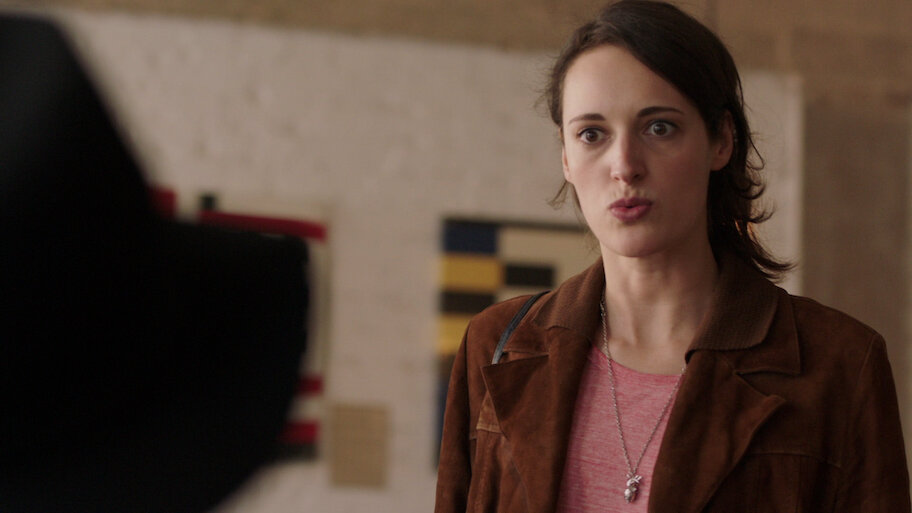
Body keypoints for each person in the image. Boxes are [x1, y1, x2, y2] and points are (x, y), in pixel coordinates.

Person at [434, 1, 910, 512]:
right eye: (592, 134)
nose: (625, 165)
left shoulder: (839, 363)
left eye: (659, 127)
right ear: (566, 156)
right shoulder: (498, 345)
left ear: (721, 140)